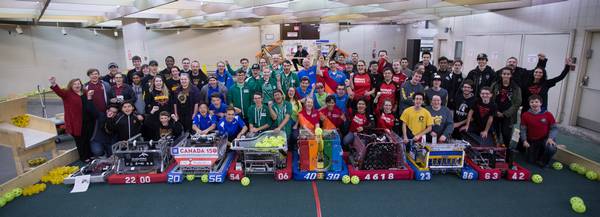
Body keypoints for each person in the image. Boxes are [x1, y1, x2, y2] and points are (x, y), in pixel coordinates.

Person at [49, 76, 93, 162]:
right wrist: (54, 83)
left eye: (78, 83)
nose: (77, 85)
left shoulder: (85, 92)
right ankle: (83, 157)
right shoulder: (67, 94)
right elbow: (59, 92)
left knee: (87, 139)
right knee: (80, 141)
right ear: (71, 85)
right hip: (75, 123)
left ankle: (90, 155)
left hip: (87, 121)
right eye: (75, 84)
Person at [520, 95, 558, 167]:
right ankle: (538, 153)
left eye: (536, 102)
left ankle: (544, 161)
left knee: (551, 148)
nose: (534, 104)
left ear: (541, 103)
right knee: (530, 161)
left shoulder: (548, 114)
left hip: (545, 138)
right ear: (529, 104)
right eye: (532, 102)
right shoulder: (525, 115)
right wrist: (524, 140)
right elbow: (523, 129)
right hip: (533, 140)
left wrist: (551, 138)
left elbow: (554, 128)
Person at [86, 93, 119, 158]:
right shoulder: (100, 115)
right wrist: (89, 97)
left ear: (116, 114)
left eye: (114, 112)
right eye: (110, 111)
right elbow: (91, 109)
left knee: (113, 155)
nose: (111, 113)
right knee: (98, 151)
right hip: (97, 140)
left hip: (109, 141)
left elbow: (111, 130)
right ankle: (101, 154)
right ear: (107, 111)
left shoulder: (117, 120)